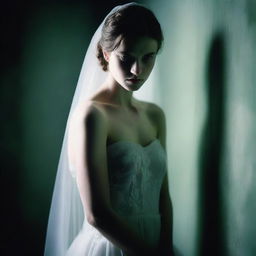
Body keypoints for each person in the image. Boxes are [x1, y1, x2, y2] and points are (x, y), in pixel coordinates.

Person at [44, 2, 174, 256]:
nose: (138, 70)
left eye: (148, 58)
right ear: (106, 54)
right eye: (127, 58)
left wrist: (166, 248)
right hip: (110, 248)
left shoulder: (155, 116)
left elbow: (163, 197)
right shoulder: (92, 115)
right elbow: (97, 214)